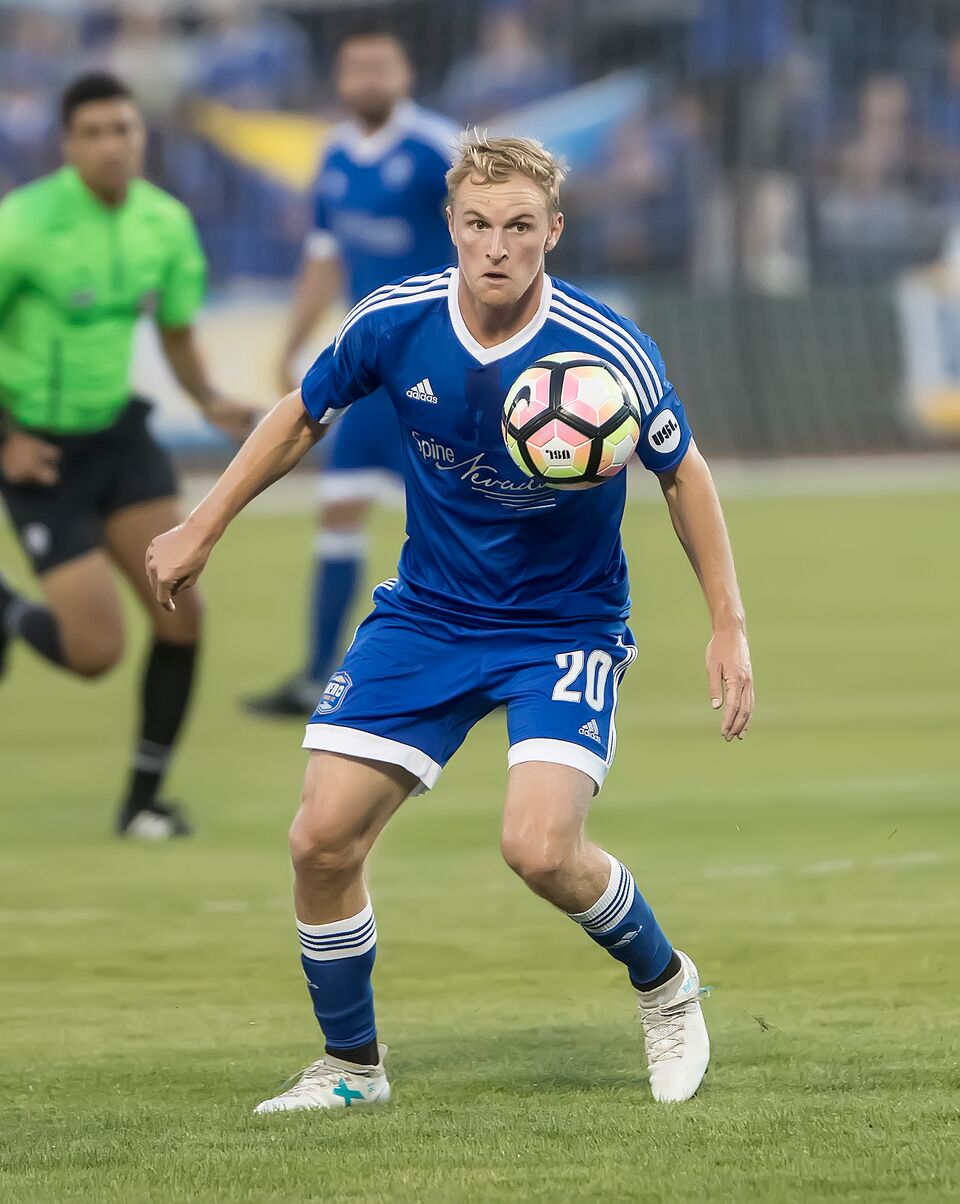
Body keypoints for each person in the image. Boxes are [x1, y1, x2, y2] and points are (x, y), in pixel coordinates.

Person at [147, 134, 755, 1109]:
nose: (497, 246)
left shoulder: (605, 348)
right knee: (320, 841)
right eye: (478, 224)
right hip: (428, 616)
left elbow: (681, 470)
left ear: (554, 232)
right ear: (452, 228)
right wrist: (202, 523)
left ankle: (666, 984)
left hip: (563, 626)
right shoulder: (397, 319)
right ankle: (353, 1069)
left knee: (540, 849)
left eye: (520, 226)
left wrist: (727, 622)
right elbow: (302, 412)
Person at [0, 72, 256, 839]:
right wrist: (7, 438)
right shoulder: (23, 224)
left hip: (119, 438)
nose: (113, 145)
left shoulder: (164, 223)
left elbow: (175, 333)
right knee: (94, 652)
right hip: (38, 451)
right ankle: (8, 610)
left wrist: (209, 399)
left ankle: (143, 804)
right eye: (95, 132)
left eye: (125, 129)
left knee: (182, 614)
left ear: (142, 137)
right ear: (67, 144)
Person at [243, 26, 457, 717]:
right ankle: (315, 677)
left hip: (441, 369)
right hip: (370, 370)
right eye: (356, 68)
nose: (368, 79)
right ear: (339, 80)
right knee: (338, 509)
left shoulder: (439, 151)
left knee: (460, 518)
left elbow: (496, 238)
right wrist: (292, 344)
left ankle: (500, 658)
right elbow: (324, 257)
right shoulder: (333, 156)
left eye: (380, 66)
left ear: (405, 74)